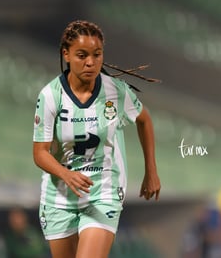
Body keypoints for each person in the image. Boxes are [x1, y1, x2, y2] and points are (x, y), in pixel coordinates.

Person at [32, 20, 161, 258]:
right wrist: (66, 174)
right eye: (82, 55)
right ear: (66, 54)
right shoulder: (50, 96)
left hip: (103, 193)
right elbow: (40, 153)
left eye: (97, 54)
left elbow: (144, 120)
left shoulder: (116, 91)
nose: (91, 62)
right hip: (59, 197)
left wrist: (150, 170)